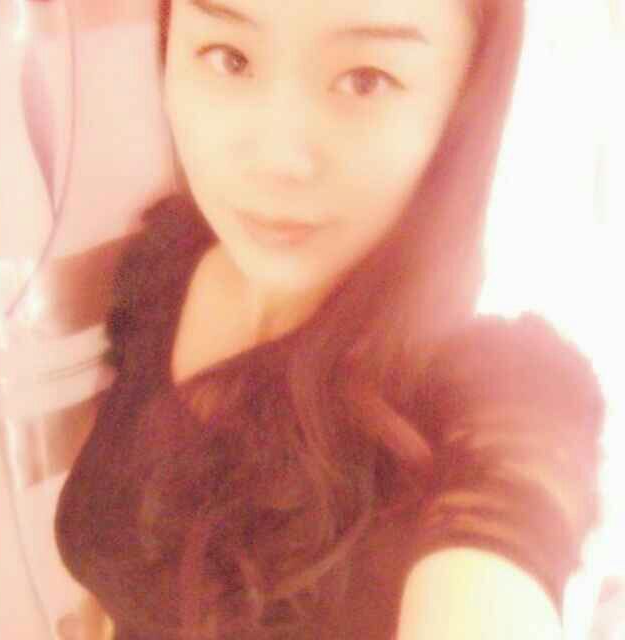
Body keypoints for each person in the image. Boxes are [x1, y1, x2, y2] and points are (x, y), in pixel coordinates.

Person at [55, 1, 605, 638]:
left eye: (366, 79)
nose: (276, 161)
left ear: (462, 100)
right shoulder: (162, 269)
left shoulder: (496, 396)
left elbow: (498, 554)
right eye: (229, 58)